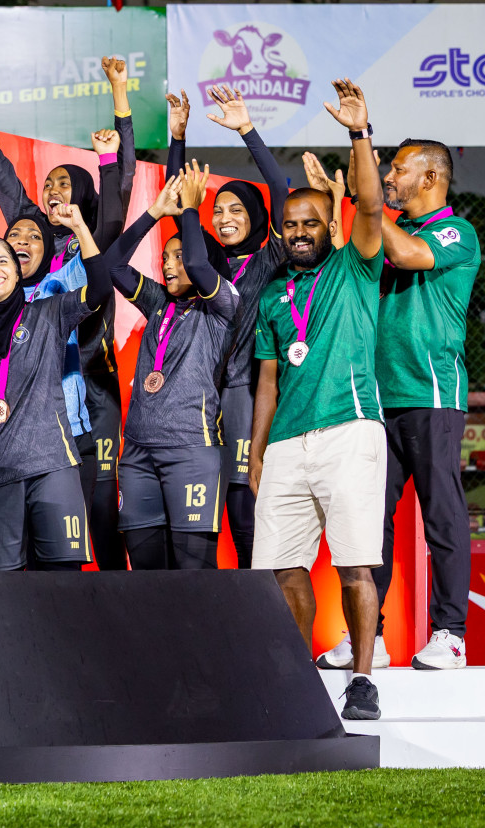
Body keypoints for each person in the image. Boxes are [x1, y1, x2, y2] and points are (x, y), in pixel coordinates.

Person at [249, 79, 387, 722]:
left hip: (348, 429)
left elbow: (369, 205)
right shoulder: (274, 294)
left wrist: (359, 133)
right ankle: (296, 676)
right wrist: (255, 454)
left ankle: (362, 677)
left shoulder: (354, 264)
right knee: (281, 569)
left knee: (355, 563)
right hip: (285, 443)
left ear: (329, 224)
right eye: (291, 225)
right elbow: (268, 381)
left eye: (311, 223)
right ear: (280, 231)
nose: (300, 232)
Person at [313, 139, 480, 671]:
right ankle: (371, 637)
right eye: (385, 171)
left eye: (399, 170)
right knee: (366, 523)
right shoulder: (394, 231)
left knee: (443, 515)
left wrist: (365, 202)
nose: (388, 178)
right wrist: (347, 206)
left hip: (430, 394)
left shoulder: (456, 232)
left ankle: (450, 633)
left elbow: (409, 255)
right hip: (377, 401)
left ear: (430, 179)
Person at [0, 54, 131, 570]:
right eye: (50, 183)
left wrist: (117, 113)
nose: (53, 190)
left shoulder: (86, 251)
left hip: (80, 411)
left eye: (65, 184)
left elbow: (118, 198)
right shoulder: (18, 249)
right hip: (14, 426)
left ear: (80, 197)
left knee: (89, 533)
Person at [0, 205, 111, 572]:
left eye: (2, 260)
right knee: (5, 593)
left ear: (17, 272)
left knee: (63, 586)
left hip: (53, 467)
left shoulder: (50, 312)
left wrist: (79, 227)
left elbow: (98, 290)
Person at [164, 85, 289, 568]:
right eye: (218, 209)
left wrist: (246, 131)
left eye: (237, 209)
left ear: (256, 217)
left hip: (244, 390)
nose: (224, 217)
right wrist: (178, 137)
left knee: (245, 513)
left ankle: (263, 618)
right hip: (199, 398)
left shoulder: (270, 258)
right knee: (200, 529)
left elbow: (280, 191)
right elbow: (181, 204)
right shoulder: (209, 265)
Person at [110, 166, 240, 570]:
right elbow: (113, 266)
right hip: (137, 453)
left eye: (178, 258)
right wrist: (154, 213)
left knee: (195, 579)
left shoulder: (222, 305)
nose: (168, 266)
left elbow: (202, 268)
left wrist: (190, 212)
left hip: (191, 450)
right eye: (165, 257)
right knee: (147, 580)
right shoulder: (157, 302)